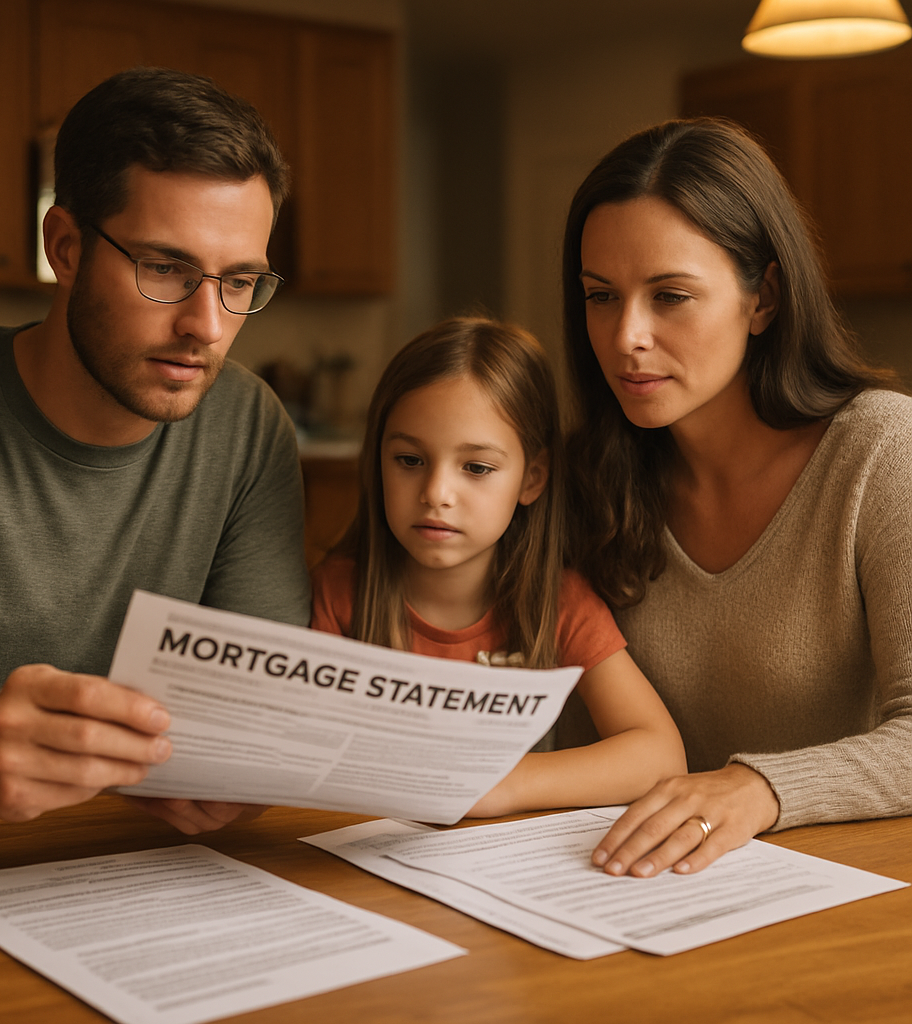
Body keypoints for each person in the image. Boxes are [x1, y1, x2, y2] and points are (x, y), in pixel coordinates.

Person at [0, 68, 310, 839]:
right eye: (166, 269)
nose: (206, 326)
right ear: (67, 246)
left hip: (141, 870)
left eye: (240, 281)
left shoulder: (247, 424)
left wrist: (249, 770)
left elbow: (257, 713)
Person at [560, 116, 912, 877]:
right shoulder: (580, 479)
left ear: (765, 299)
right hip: (621, 890)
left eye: (671, 296)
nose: (626, 337)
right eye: (600, 296)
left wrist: (760, 788)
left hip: (835, 898)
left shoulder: (882, 451)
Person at [311, 317, 685, 814]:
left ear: (532, 479)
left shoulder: (560, 603)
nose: (436, 494)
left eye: (476, 468)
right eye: (409, 460)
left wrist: (501, 786)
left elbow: (660, 757)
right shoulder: (338, 593)